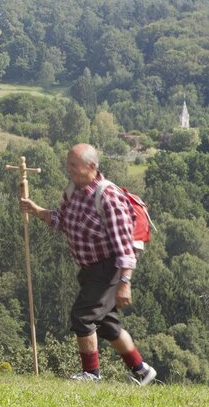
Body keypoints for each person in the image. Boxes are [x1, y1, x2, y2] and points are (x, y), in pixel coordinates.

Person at [19, 143, 157, 385]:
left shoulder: (108, 197)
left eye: (74, 165)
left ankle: (91, 375)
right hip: (90, 269)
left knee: (83, 317)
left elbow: (124, 245)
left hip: (109, 267)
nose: (68, 169)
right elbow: (63, 221)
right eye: (68, 163)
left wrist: (125, 282)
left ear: (92, 166)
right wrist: (37, 210)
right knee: (107, 325)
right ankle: (142, 370)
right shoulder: (73, 190)